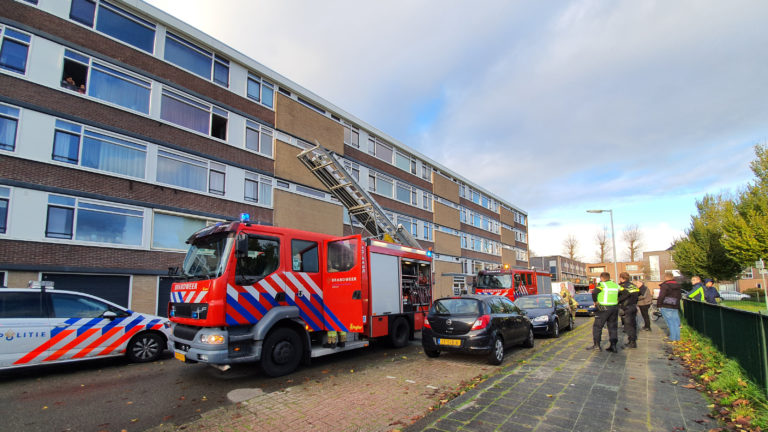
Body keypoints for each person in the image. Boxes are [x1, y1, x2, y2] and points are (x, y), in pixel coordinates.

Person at [586, 272, 627, 353]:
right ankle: (613, 346)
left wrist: (596, 301)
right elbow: (626, 292)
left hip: (603, 308)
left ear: (602, 278)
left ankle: (597, 345)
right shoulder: (615, 285)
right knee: (613, 327)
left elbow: (594, 292)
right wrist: (618, 300)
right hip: (614, 308)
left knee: (597, 327)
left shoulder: (602, 285)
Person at [657, 272, 682, 342]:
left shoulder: (665, 286)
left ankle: (672, 337)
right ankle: (677, 337)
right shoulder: (678, 285)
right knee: (675, 322)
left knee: (670, 322)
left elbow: (661, 296)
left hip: (666, 305)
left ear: (666, 277)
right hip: (675, 305)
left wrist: (659, 304)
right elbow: (679, 296)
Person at [618, 272, 639, 348]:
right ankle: (633, 340)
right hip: (634, 306)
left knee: (628, 326)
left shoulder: (623, 286)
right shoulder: (633, 286)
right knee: (633, 325)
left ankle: (632, 342)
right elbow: (637, 295)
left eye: (620, 278)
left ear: (622, 278)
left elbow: (622, 295)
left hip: (626, 307)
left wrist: (618, 300)